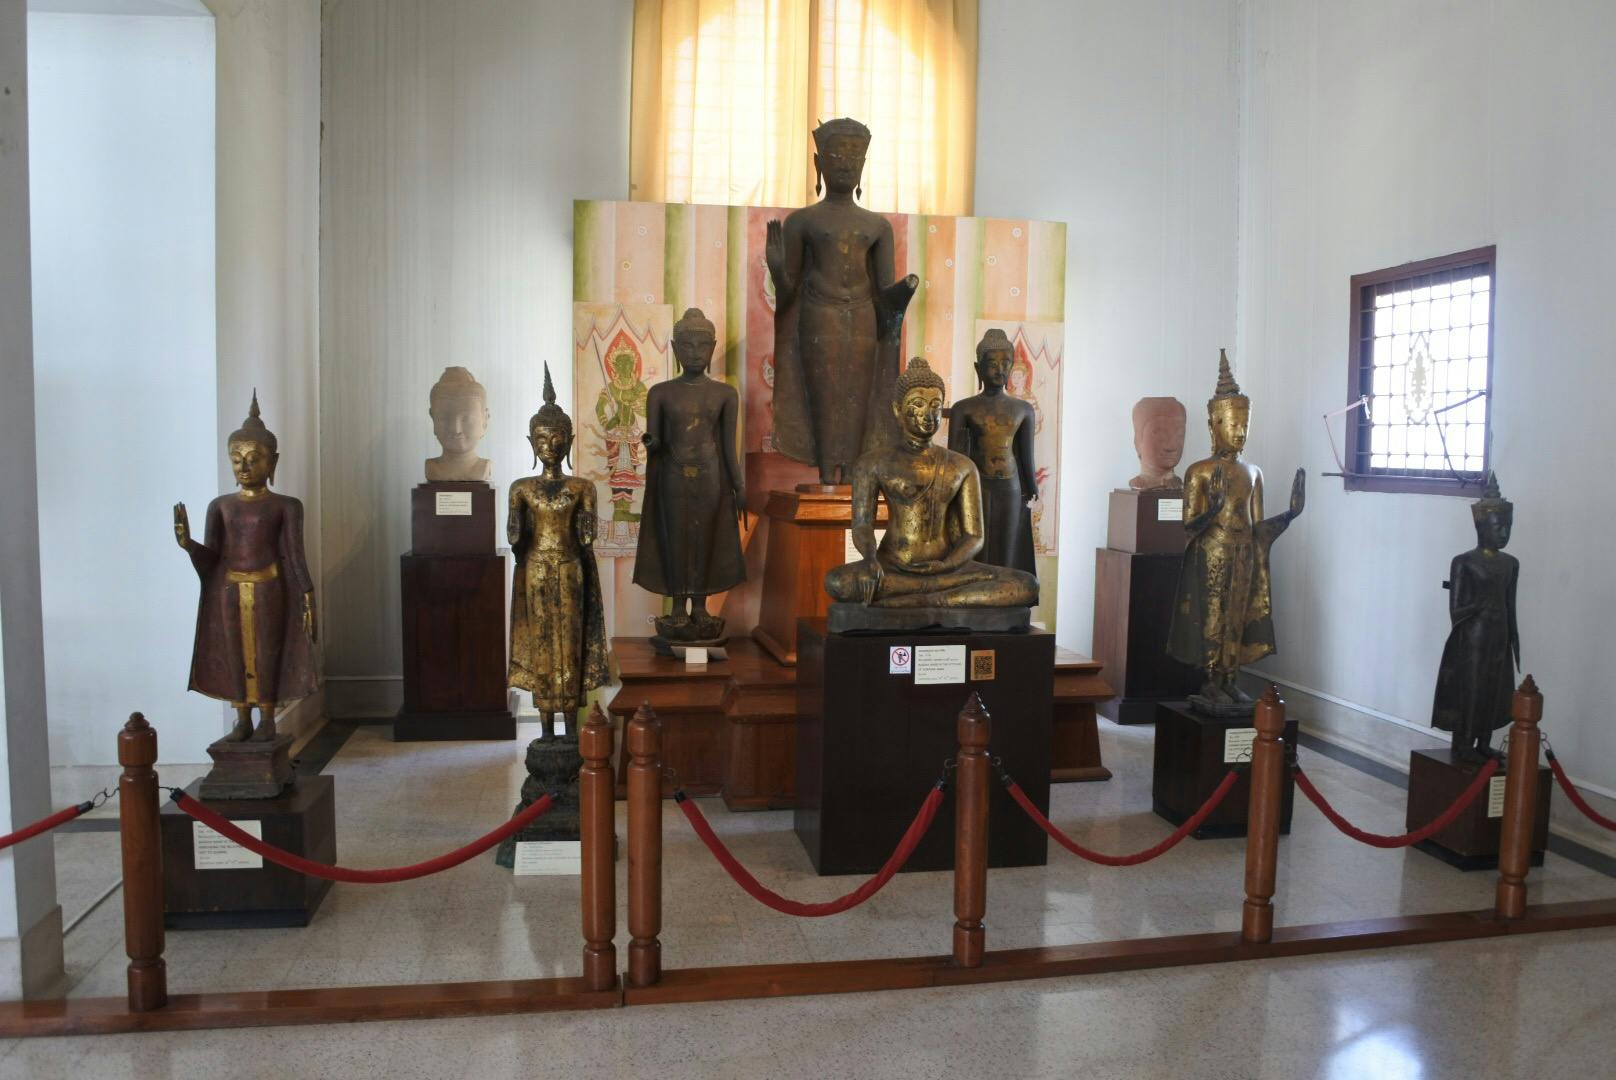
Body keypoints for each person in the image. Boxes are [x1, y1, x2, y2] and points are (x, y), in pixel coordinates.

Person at [766, 117, 918, 484]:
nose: (846, 165)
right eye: (836, 158)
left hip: (864, 316)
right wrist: (776, 268)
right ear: (820, 166)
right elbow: (788, 297)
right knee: (823, 395)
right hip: (819, 315)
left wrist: (905, 291)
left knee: (858, 397)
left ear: (863, 167)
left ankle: (852, 476)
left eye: (854, 160)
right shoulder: (802, 222)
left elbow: (883, 296)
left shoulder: (877, 227)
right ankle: (825, 477)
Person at [825, 358, 1038, 611]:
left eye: (936, 406)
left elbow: (974, 536)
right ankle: (936, 599)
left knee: (1026, 584)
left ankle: (925, 601)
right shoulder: (873, 463)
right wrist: (870, 560)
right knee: (838, 582)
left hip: (949, 570)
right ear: (897, 409)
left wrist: (946, 565)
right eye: (917, 404)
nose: (928, 414)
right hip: (894, 567)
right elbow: (861, 525)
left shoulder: (962, 466)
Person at [174, 393, 317, 743]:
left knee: (269, 650)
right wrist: (188, 544)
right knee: (233, 649)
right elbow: (212, 560)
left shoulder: (285, 506)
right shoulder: (220, 506)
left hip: (270, 586)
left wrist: (308, 598)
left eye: (254, 459)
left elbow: (295, 555)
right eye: (237, 459)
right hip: (229, 588)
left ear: (272, 462)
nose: (244, 467)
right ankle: (242, 717)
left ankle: (267, 715)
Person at [1167, 351, 1305, 711]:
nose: (1240, 432)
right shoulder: (1198, 471)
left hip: (1244, 553)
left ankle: (1231, 679)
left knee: (1237, 615)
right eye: (1233, 424)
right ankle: (1212, 679)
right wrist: (1211, 510)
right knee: (1214, 614)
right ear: (1214, 424)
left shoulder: (1253, 472)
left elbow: (1257, 528)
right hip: (1212, 553)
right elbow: (1188, 525)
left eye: (1245, 424)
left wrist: (1290, 514)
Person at [509, 365, 610, 740]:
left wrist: (584, 524)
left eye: (557, 438)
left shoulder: (583, 488)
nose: (549, 445)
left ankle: (570, 730)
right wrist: (516, 526)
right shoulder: (521, 489)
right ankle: (546, 731)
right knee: (541, 645)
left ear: (568, 441)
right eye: (541, 438)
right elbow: (516, 539)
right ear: (531, 442)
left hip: (570, 570)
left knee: (570, 645)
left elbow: (587, 538)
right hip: (536, 570)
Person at [634, 308, 746, 641]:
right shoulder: (661, 393)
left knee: (707, 539)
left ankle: (700, 606)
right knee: (675, 539)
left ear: (712, 347)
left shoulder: (725, 394)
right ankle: (678, 607)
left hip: (711, 475)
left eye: (701, 345)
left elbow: (729, 447)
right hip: (672, 473)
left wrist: (739, 486)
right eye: (686, 345)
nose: (694, 352)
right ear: (674, 347)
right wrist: (651, 443)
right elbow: (654, 439)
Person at [1432, 472, 1520, 762]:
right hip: (1473, 638)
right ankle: (1464, 743)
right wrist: (1479, 605)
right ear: (1482, 526)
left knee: (1495, 691)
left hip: (1499, 637)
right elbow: (1455, 611)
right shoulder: (1464, 562)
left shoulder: (1510, 564)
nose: (1504, 533)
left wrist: (1514, 640)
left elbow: (1511, 605)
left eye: (1507, 527)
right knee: (1471, 690)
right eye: (1498, 527)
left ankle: (1484, 742)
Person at [948, 328, 1038, 574]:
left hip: (1010, 485)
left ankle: (1006, 598)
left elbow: (1025, 455)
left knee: (1007, 547)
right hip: (976, 486)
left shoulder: (1023, 410)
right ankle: (978, 597)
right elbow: (954, 458)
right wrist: (952, 495)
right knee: (977, 545)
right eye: (992, 363)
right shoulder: (963, 409)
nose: (1000, 369)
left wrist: (1031, 486)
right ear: (978, 369)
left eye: (1005, 363)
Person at [424, 366, 492, 482]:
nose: (456, 429)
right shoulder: (432, 468)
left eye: (467, 419)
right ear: (433, 419)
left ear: (484, 421)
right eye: (445, 418)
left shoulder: (483, 468)